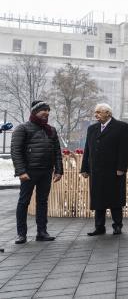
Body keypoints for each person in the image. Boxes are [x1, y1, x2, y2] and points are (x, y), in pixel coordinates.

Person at [11, 100, 63, 244]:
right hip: (29, 172)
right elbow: (16, 152)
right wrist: (21, 171)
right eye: (43, 110)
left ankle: (42, 232)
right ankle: (21, 234)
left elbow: (57, 152)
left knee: (42, 202)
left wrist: (59, 170)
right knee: (23, 202)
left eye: (48, 110)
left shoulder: (51, 130)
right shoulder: (23, 128)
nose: (46, 113)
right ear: (35, 112)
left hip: (46, 172)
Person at [81, 103, 128, 236]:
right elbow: (87, 149)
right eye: (95, 112)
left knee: (115, 198)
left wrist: (121, 168)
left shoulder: (122, 127)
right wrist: (84, 168)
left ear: (108, 113)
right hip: (96, 170)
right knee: (98, 198)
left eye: (98, 112)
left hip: (114, 170)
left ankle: (117, 225)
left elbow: (125, 150)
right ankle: (99, 227)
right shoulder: (92, 129)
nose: (95, 114)